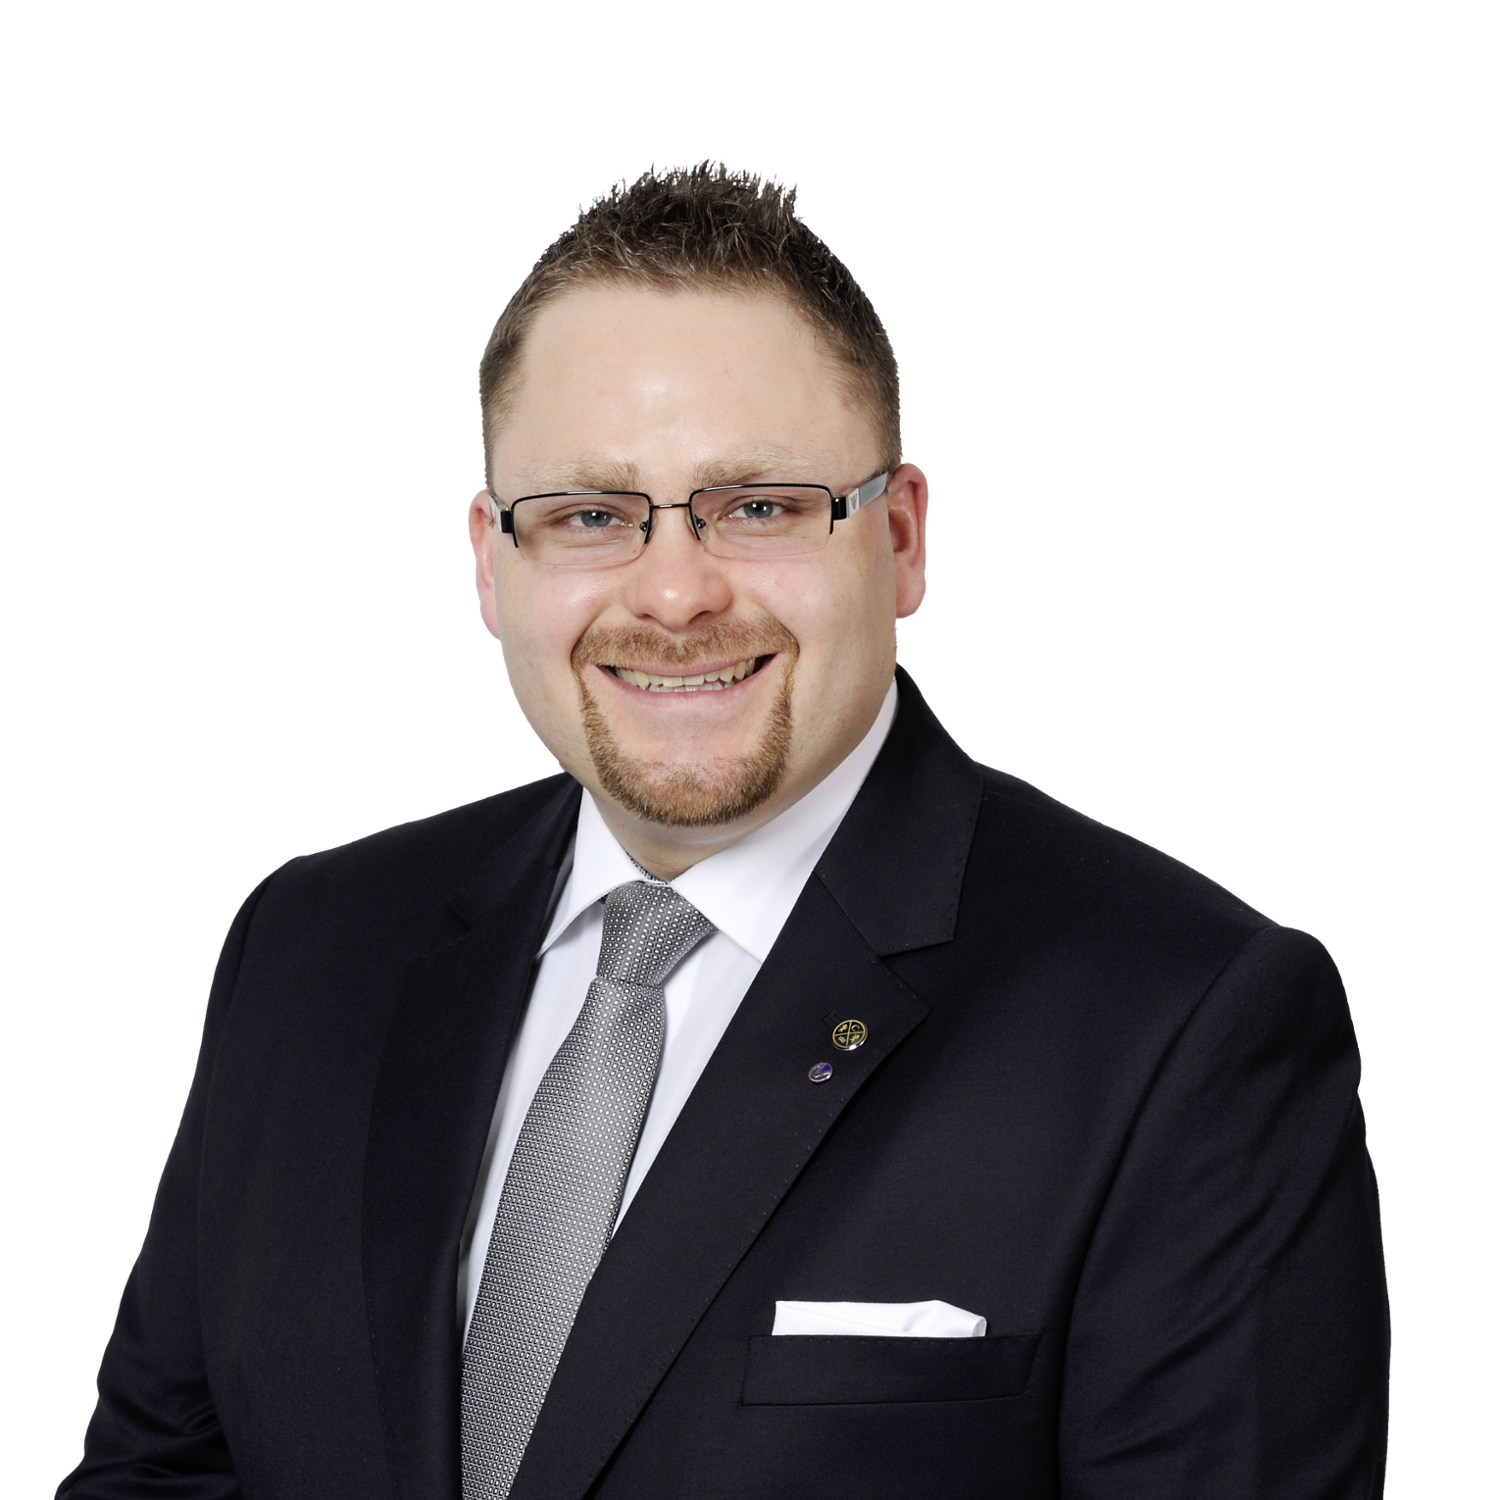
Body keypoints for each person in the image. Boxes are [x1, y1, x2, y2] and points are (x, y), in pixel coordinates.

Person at [61, 165, 1388, 1499]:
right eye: (591, 515)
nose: (675, 594)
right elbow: (157, 1474)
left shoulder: (1185, 1021)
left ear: (903, 539)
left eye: (759, 506)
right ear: (489, 563)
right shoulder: (308, 947)